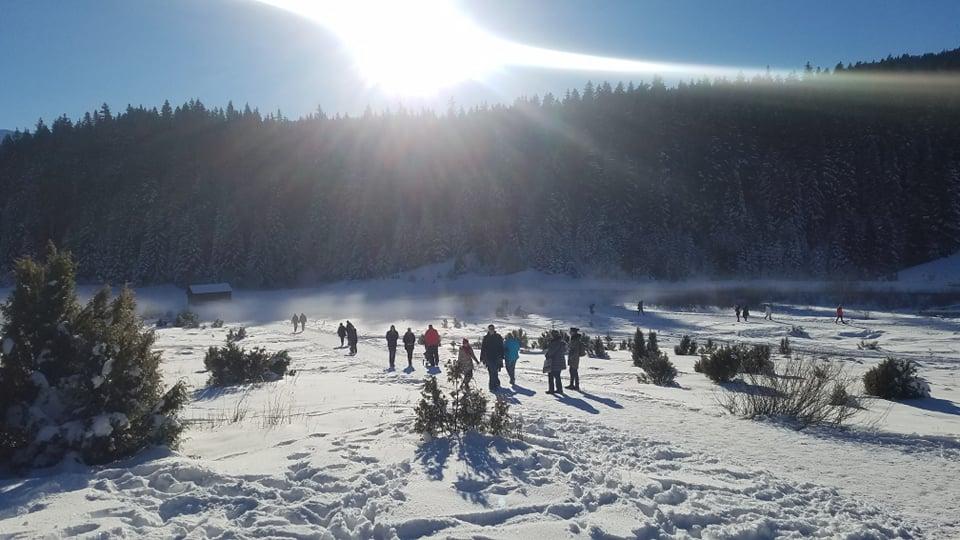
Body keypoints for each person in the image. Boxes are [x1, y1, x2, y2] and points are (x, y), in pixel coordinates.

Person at [480, 324, 505, 392]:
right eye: (490, 329)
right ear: (488, 329)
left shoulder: (498, 336)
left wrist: (502, 356)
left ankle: (496, 383)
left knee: (495, 371)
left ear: (494, 329)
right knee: (491, 371)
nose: (491, 330)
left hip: (497, 357)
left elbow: (501, 347)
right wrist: (482, 358)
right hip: (488, 357)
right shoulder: (485, 337)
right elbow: (483, 348)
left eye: (492, 329)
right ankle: (492, 386)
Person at [542, 330, 567, 395]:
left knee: (551, 376)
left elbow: (551, 352)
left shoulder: (555, 343)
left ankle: (551, 389)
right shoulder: (562, 342)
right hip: (560, 361)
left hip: (554, 362)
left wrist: (547, 355)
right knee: (557, 376)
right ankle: (559, 389)